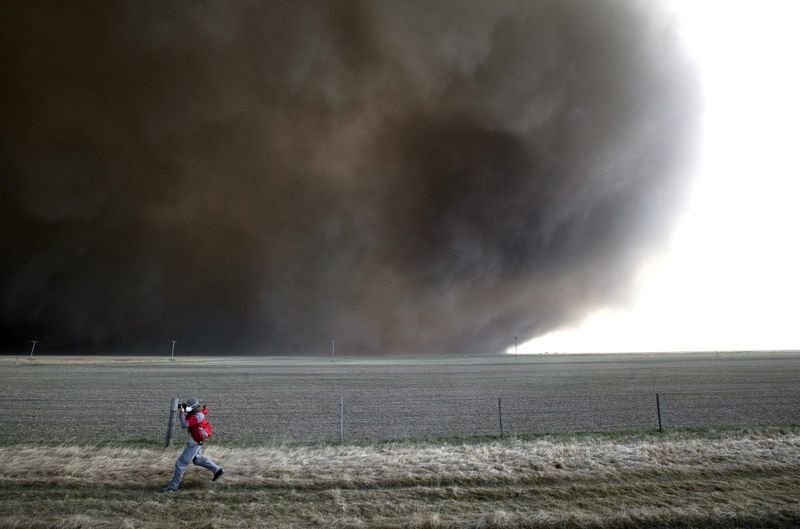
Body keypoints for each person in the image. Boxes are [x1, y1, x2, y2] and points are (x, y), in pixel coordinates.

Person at [162, 397, 224, 492]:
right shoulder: (195, 413)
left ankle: (172, 488)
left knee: (180, 464)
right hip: (196, 440)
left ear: (194, 407)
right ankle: (218, 470)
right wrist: (183, 408)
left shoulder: (197, 416)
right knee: (197, 460)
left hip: (194, 442)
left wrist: (182, 413)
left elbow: (184, 425)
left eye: (188, 406)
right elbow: (188, 415)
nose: (187, 407)